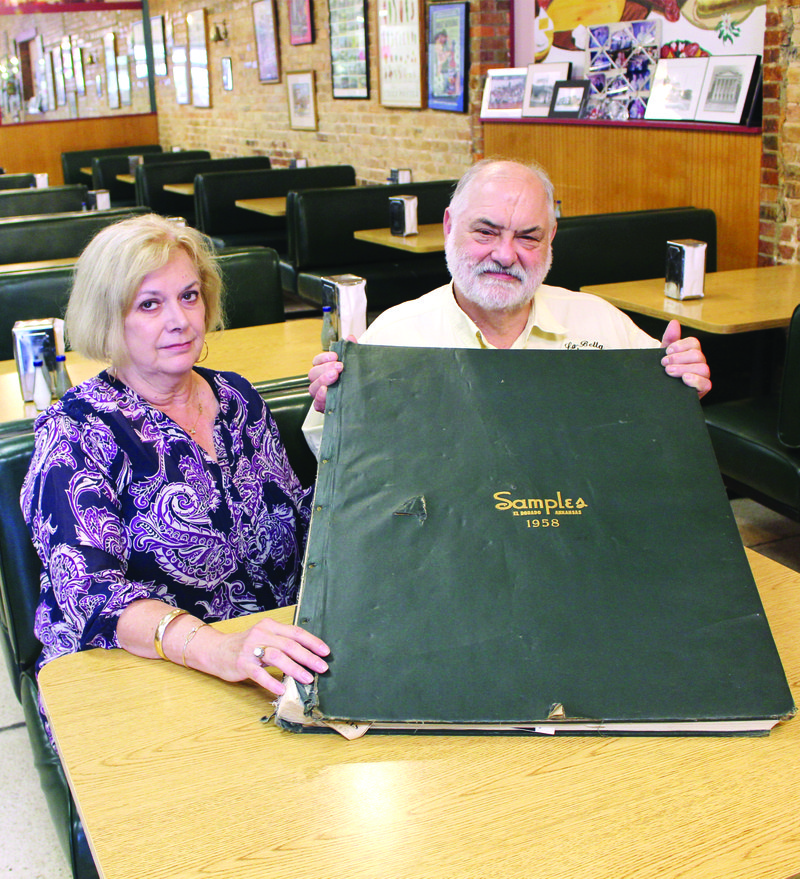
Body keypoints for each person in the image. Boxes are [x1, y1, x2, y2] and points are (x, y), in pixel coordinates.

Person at [21, 214, 329, 744]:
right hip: (140, 675)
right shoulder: (75, 433)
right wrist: (220, 649)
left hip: (266, 656)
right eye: (149, 304)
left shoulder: (238, 400)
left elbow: (302, 527)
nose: (180, 319)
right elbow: (93, 596)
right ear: (107, 320)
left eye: (189, 296)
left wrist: (348, 430)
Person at [303, 158, 711, 452]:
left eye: (528, 238)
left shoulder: (600, 323)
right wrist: (336, 405)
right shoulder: (394, 336)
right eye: (486, 232)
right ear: (449, 227)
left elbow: (656, 436)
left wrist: (680, 384)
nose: (505, 254)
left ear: (551, 237)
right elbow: (340, 461)